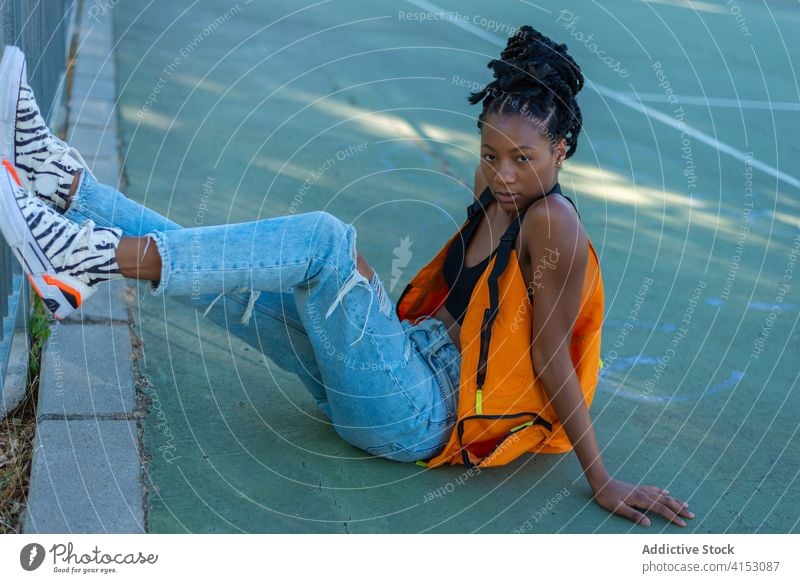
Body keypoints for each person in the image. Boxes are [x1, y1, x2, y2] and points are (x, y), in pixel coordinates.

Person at [0, 26, 694, 528]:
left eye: (524, 157)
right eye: (491, 152)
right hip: (398, 365)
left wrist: (599, 476)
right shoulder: (495, 188)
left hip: (420, 412)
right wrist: (373, 304)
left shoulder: (555, 223)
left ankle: (81, 255)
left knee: (326, 241)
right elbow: (456, 303)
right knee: (236, 275)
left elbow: (548, 355)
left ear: (561, 150)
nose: (504, 172)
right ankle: (62, 184)